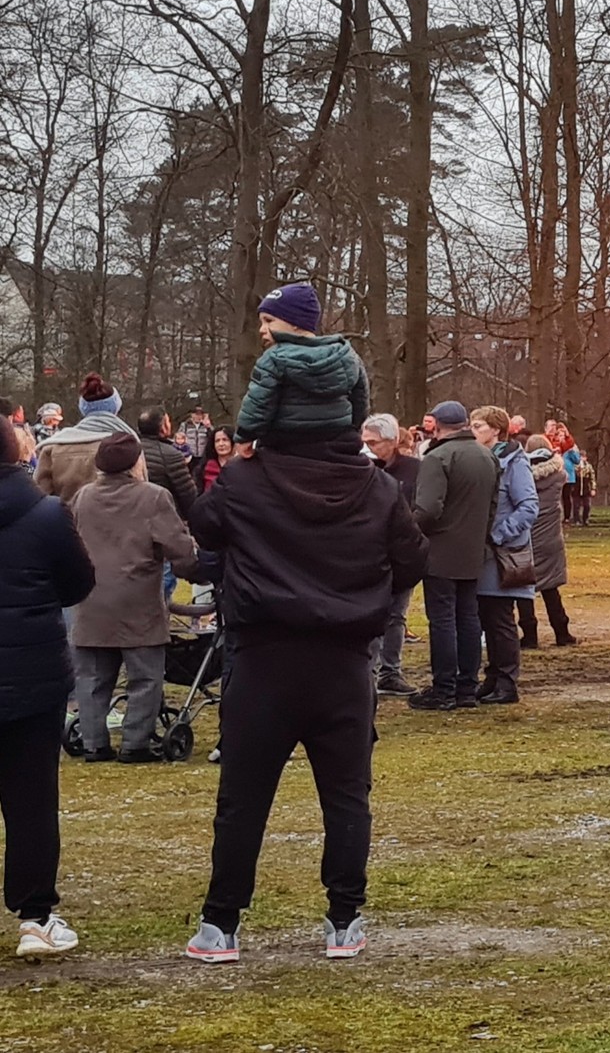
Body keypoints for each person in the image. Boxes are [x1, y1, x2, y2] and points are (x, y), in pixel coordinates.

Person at [183, 416, 424, 965]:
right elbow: (413, 557)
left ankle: (220, 923)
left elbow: (203, 525)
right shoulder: (377, 485)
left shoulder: (247, 479)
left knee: (242, 798)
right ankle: (344, 919)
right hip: (342, 658)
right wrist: (373, 595)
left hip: (262, 656)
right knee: (346, 794)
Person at [1, 421, 95, 956]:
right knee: (33, 802)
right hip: (33, 674)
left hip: (31, 671)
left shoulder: (44, 511)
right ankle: (36, 914)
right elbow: (79, 581)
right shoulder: (45, 513)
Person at [67, 433, 197, 762]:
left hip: (92, 600)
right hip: (137, 599)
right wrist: (195, 567)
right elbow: (178, 547)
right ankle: (135, 743)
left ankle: (94, 743)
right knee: (144, 677)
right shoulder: (153, 497)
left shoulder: (83, 497)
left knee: (93, 679)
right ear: (135, 462)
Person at [411, 400, 497, 710]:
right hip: (473, 549)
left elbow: (429, 510)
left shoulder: (438, 458)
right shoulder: (487, 457)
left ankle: (443, 689)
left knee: (443, 619)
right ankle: (466, 689)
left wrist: (407, 529)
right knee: (468, 617)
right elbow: (492, 507)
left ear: (438, 425)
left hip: (440, 551)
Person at [234, 283, 368, 447]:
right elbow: (360, 401)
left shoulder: (273, 358)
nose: (262, 329)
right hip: (338, 441)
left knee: (234, 471)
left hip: (286, 444)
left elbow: (258, 404)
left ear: (295, 322)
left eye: (269, 321)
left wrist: (245, 437)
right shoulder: (347, 355)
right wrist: (353, 429)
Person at [469, 407, 538, 706]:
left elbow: (528, 507)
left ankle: (507, 682)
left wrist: (498, 534)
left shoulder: (515, 463)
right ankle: (493, 676)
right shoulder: (481, 461)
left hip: (503, 554)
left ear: (496, 430)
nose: (472, 431)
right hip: (483, 553)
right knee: (487, 616)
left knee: (500, 619)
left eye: (478, 426)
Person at [360, 414, 422, 694]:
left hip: (401, 551)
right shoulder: (362, 469)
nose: (368, 448)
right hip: (367, 550)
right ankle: (366, 672)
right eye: (365, 442)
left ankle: (390, 672)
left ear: (392, 441)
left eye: (374, 442)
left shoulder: (415, 470)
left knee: (396, 615)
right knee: (369, 613)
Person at [33, 376, 136, 505]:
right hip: (113, 523)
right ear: (116, 406)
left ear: (83, 407)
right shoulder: (128, 447)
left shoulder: (53, 448)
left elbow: (39, 498)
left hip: (66, 522)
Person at [522, 435, 577, 649]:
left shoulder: (521, 476)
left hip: (527, 538)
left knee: (524, 588)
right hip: (551, 538)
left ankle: (529, 635)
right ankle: (561, 632)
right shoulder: (559, 475)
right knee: (551, 587)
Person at [135, 409, 199, 521]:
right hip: (164, 518)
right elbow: (188, 494)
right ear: (163, 428)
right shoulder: (171, 455)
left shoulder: (130, 449)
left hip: (135, 516)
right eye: (168, 422)